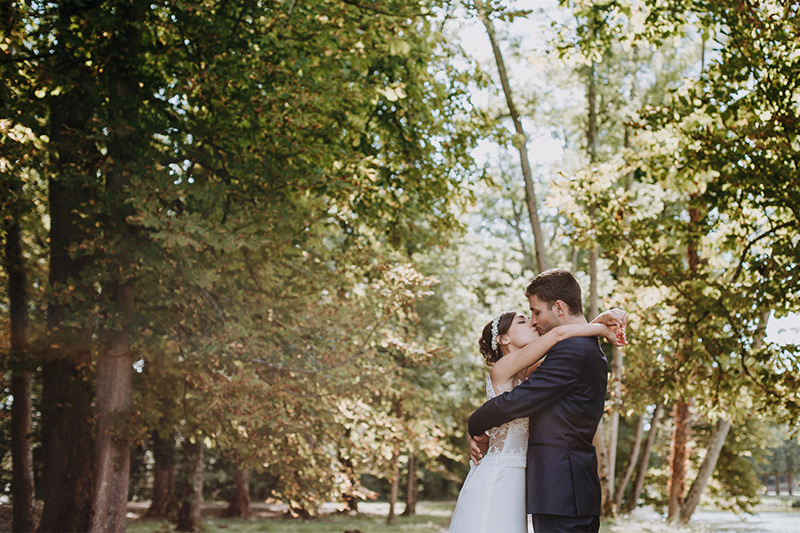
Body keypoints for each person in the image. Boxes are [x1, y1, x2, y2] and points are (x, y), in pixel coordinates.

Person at [466, 268, 624, 533]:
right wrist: (598, 324)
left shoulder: (572, 349)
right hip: (559, 489)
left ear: (559, 307)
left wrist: (474, 424)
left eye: (536, 312)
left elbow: (515, 402)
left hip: (563, 490)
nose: (533, 321)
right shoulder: (580, 347)